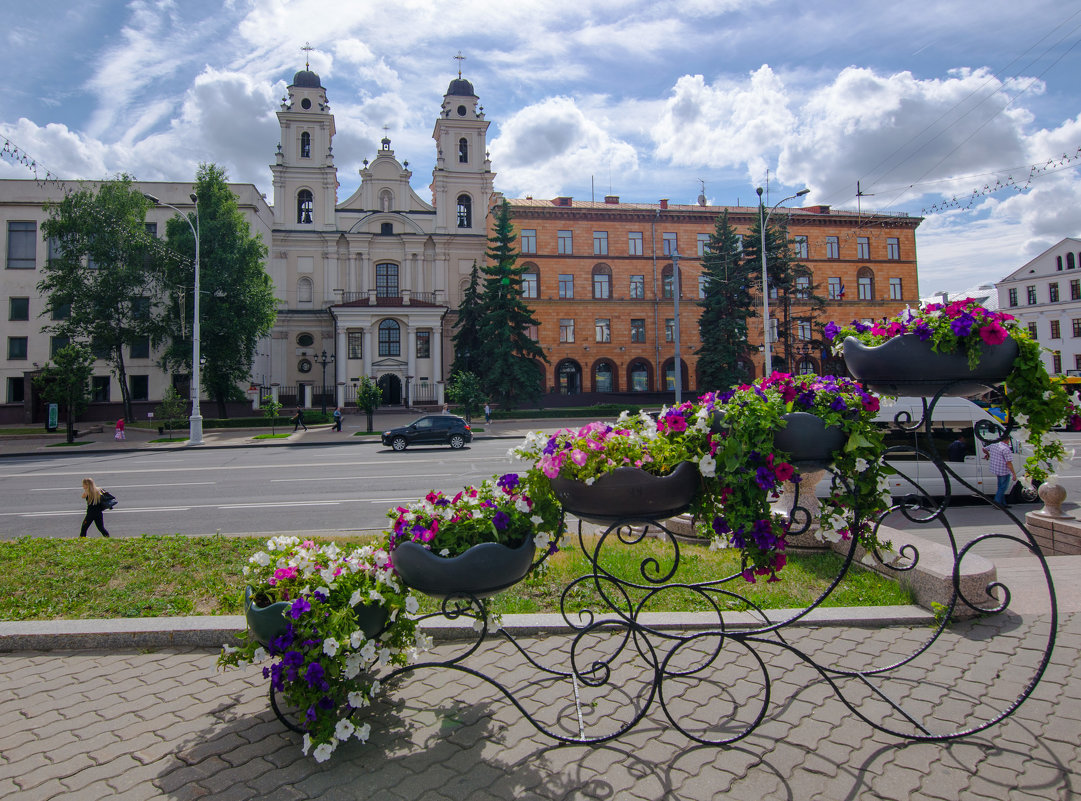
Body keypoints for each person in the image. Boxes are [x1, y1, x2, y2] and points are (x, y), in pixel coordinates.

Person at [983, 439, 1017, 507]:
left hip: (997, 469)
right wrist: (1014, 474)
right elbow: (1009, 463)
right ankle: (997, 503)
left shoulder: (994, 445)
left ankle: (1003, 503)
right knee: (1003, 488)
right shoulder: (1005, 449)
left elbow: (984, 449)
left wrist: (988, 454)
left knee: (1000, 487)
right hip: (1004, 471)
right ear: (1007, 440)